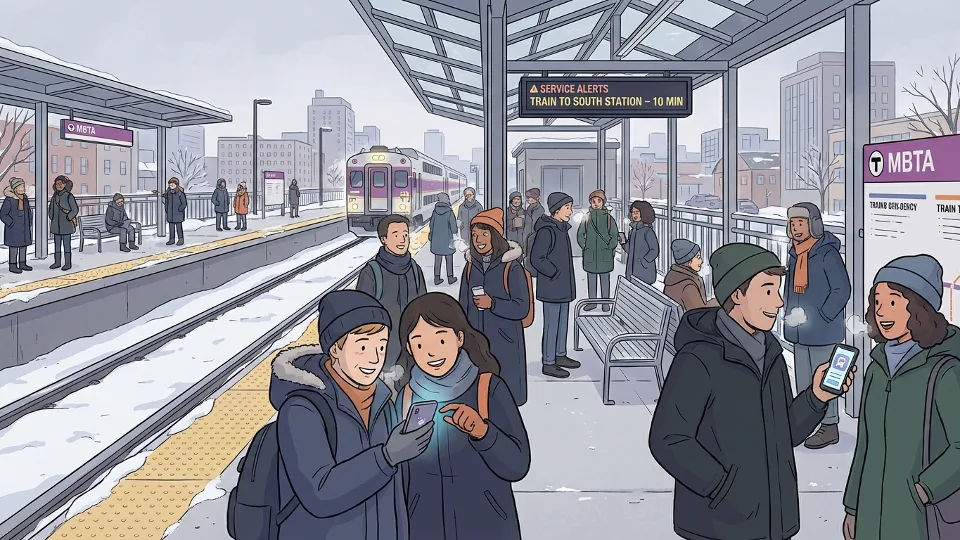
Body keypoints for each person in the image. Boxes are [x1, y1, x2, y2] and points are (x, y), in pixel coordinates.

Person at [649, 242, 854, 540]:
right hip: (718, 525)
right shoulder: (698, 358)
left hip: (773, 521)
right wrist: (721, 486)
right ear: (737, 295)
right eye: (768, 291)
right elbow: (668, 439)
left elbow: (785, 432)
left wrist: (816, 397)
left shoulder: (770, 352)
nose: (779, 302)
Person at [268, 289, 432, 539]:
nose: (374, 359)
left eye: (381, 346)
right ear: (335, 348)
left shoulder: (382, 400)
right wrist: (386, 457)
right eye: (362, 347)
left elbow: (394, 490)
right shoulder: (303, 408)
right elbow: (320, 493)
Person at [842, 254, 960, 540]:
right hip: (872, 512)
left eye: (893, 302)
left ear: (920, 307)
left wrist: (925, 489)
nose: (882, 312)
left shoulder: (945, 369)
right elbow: (866, 443)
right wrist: (853, 506)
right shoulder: (877, 367)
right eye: (877, 302)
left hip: (919, 517)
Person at [396, 293, 530, 540]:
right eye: (420, 344)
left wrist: (484, 433)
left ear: (459, 338)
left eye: (441, 339)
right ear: (409, 348)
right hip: (425, 527)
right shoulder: (406, 398)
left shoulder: (488, 389)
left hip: (486, 527)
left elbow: (518, 465)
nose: (431, 353)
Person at [783, 202, 851, 450]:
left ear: (814, 224)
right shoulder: (794, 253)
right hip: (800, 330)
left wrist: (823, 315)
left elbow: (842, 289)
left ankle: (830, 425)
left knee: (826, 379)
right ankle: (806, 422)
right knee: (804, 380)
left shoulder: (826, 254)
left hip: (823, 331)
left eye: (801, 223)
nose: (796, 228)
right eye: (793, 223)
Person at [459, 208, 531, 405]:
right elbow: (462, 304)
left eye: (484, 234)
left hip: (505, 342)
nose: (478, 240)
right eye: (474, 235)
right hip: (476, 340)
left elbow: (522, 307)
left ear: (496, 236)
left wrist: (493, 304)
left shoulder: (511, 267)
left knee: (506, 396)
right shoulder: (470, 267)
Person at [356, 215, 427, 393]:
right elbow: (361, 318)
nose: (402, 239)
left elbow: (424, 308)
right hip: (383, 356)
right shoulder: (371, 273)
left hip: (413, 351)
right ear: (384, 239)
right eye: (396, 234)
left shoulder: (415, 269)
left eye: (405, 234)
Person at [530, 192, 580, 379]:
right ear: (556, 210)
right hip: (552, 287)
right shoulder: (547, 230)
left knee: (562, 323)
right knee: (552, 325)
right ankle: (549, 362)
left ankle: (560, 354)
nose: (570, 211)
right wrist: (554, 272)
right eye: (567, 207)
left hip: (562, 286)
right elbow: (537, 258)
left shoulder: (561, 228)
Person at [577, 189, 619, 312]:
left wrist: (610, 247)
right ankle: (592, 303)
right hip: (590, 253)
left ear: (603, 202)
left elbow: (614, 234)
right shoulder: (586, 217)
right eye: (593, 201)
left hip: (604, 254)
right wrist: (585, 246)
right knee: (591, 280)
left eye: (598, 201)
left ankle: (605, 303)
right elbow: (580, 234)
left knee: (605, 280)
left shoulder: (608, 218)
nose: (596, 204)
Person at [663, 239, 717, 311]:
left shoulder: (674, 276)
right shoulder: (688, 286)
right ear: (689, 261)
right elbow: (699, 312)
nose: (701, 261)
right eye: (698, 257)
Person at [622, 199, 659, 285]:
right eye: (633, 212)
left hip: (644, 270)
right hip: (632, 269)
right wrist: (624, 242)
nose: (634, 215)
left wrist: (644, 261)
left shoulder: (648, 231)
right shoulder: (633, 230)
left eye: (637, 212)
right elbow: (630, 250)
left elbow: (655, 250)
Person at [1, 177, 32, 274]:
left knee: (23, 246)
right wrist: (11, 223)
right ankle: (13, 265)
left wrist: (29, 221)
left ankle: (22, 263)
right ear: (15, 188)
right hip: (13, 228)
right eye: (20, 187)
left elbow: (28, 211)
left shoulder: (25, 198)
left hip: (24, 226)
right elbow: (3, 214)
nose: (23, 188)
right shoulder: (9, 200)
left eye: (23, 186)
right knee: (13, 247)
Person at [49, 175, 78, 271]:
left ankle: (67, 264)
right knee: (57, 246)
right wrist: (51, 216)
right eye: (57, 183)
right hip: (56, 226)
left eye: (61, 183)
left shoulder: (69, 195)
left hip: (66, 225)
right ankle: (57, 262)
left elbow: (75, 209)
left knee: (66, 245)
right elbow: (51, 208)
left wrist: (68, 217)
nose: (59, 185)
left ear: (65, 184)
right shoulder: (54, 196)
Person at [427, 192, 458, 286]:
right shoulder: (449, 212)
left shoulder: (435, 211)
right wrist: (456, 230)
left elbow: (431, 224)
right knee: (449, 258)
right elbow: (453, 227)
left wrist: (431, 234)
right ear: (446, 200)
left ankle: (437, 278)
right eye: (448, 198)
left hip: (436, 239)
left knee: (437, 259)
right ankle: (450, 277)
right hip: (448, 239)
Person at [153, 177, 187, 246]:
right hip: (170, 213)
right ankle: (172, 239)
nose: (171, 186)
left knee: (179, 227)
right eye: (170, 184)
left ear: (176, 184)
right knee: (171, 227)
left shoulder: (180, 193)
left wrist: (180, 209)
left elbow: (184, 203)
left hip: (178, 213)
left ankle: (181, 239)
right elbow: (165, 196)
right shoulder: (168, 192)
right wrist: (158, 193)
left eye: (172, 184)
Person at [522, 188, 544, 274]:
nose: (529, 199)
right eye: (527, 197)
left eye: (531, 197)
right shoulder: (530, 208)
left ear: (536, 198)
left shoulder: (538, 209)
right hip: (528, 234)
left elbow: (536, 223)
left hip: (533, 235)